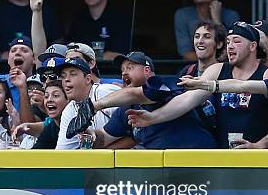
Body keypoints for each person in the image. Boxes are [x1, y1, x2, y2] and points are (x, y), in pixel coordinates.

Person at [128, 22, 268, 149]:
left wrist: (261, 146)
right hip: (224, 156)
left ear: (253, 46)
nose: (230, 46)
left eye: (237, 41)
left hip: (262, 160)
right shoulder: (218, 70)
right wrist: (153, 118)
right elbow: (187, 99)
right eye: (228, 42)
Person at [71, 52, 217, 149]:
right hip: (164, 173)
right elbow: (104, 138)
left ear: (147, 71)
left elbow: (138, 94)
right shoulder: (126, 108)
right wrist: (90, 136)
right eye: (122, 70)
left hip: (198, 162)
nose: (124, 73)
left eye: (130, 67)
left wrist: (93, 106)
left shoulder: (165, 84)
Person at [54, 57, 119, 149]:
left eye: (72, 74)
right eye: (63, 76)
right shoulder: (69, 111)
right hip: (102, 159)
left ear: (88, 79)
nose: (66, 79)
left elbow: (135, 132)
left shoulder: (105, 92)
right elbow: (63, 152)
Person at [67, 0, 131, 60]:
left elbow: (120, 54)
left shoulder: (119, 19)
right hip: (81, 71)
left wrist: (88, 57)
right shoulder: (79, 18)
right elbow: (70, 48)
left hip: (110, 72)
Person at [174, 0, 240, 60]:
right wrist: (212, 62)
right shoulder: (182, 15)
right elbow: (186, 53)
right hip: (195, 67)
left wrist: (217, 20)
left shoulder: (231, 15)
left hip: (224, 67)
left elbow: (232, 50)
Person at [13, 80, 69, 149]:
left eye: (56, 95)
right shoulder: (50, 128)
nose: (49, 100)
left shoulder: (77, 125)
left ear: (68, 100)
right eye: (46, 96)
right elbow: (35, 153)